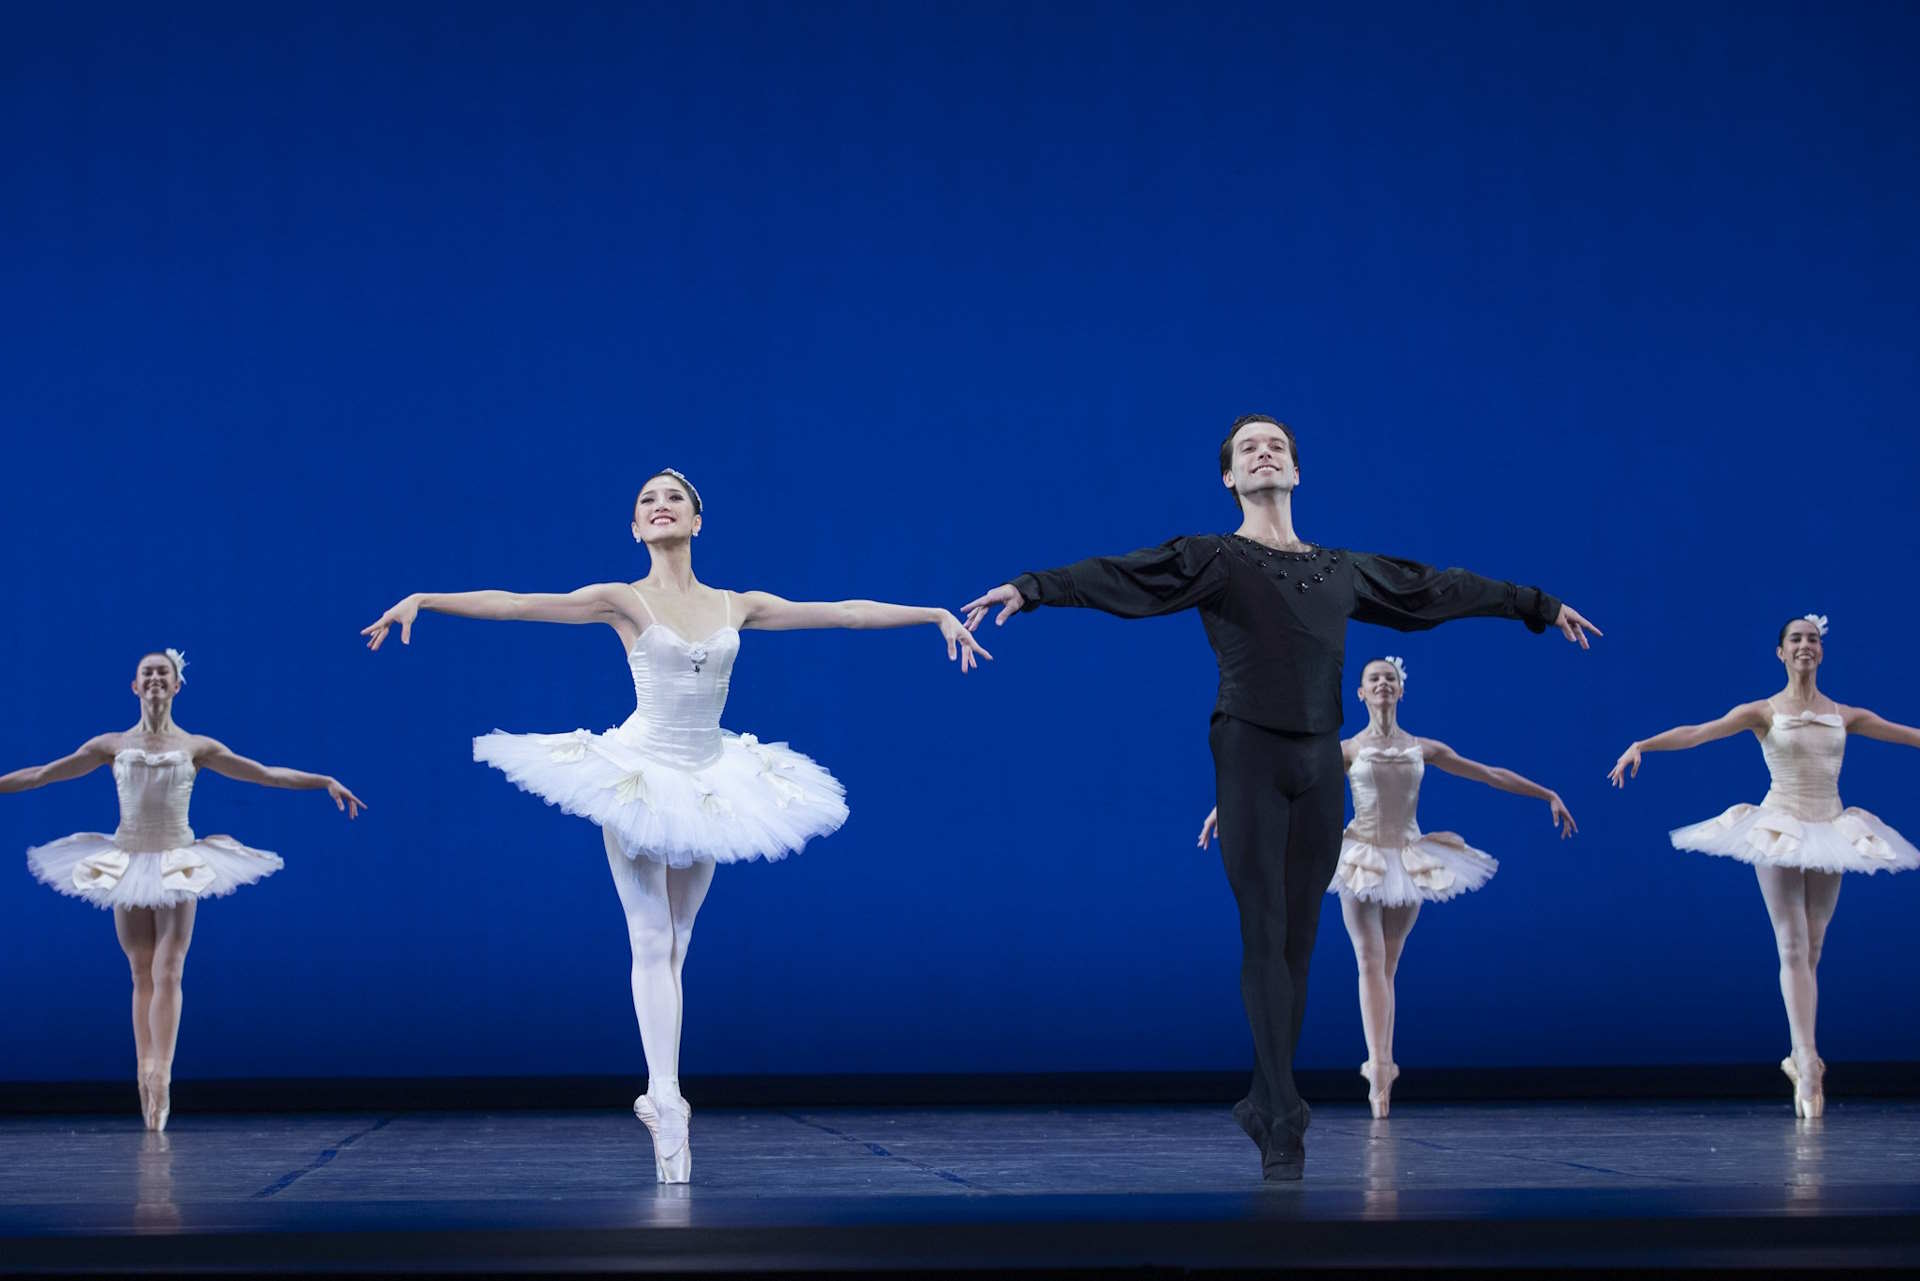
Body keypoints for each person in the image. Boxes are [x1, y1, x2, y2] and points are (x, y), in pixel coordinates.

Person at [963, 415, 1598, 1179]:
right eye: (1247, 448)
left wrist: (1534, 603)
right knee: (1263, 931)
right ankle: (1282, 1112)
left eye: (1278, 445)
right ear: (1230, 477)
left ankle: (1269, 1102)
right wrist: (1034, 589)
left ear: (1297, 470)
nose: (1265, 451)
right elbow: (1124, 576)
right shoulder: (1216, 557)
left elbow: (1436, 589)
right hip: (1249, 750)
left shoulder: (1341, 568)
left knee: (1300, 942)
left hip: (1320, 760)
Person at [362, 468, 990, 1182]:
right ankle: (667, 1097)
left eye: (673, 499)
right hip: (638, 772)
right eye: (645, 501)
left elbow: (842, 611)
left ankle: (661, 1092)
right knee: (651, 934)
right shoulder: (621, 599)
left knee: (678, 940)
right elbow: (515, 604)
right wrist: (426, 599)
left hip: (713, 779)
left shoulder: (737, 603)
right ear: (636, 528)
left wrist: (933, 613)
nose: (659, 506)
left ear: (697, 519)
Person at [1197, 655, 1575, 1118]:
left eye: (1389, 678)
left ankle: (1384, 1069)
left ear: (1400, 690)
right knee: (1370, 960)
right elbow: (1280, 779)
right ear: (1360, 693)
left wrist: (1547, 794)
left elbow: (1489, 773)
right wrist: (1225, 810)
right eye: (1373, 678)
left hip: (1409, 856)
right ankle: (1378, 1069)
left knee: (1388, 965)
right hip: (1361, 857)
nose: (1382, 683)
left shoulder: (1424, 748)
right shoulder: (1347, 749)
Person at [4, 648, 365, 1131]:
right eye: (146, 673)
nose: (155, 679)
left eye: (163, 673)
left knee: (169, 967)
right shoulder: (109, 744)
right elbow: (43, 774)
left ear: (176, 687)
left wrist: (323, 781)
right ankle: (142, 1068)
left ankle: (162, 1072)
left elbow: (264, 773)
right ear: (134, 687)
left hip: (177, 861)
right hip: (128, 858)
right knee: (140, 970)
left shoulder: (197, 746)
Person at [1609, 614, 1920, 1117]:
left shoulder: (1846, 714)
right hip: (1779, 826)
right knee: (1792, 944)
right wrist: (1642, 745)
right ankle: (1809, 1060)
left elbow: (1909, 734)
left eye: (1813, 639)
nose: (1805, 645)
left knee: (1813, 947)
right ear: (1781, 652)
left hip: (1831, 827)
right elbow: (1698, 733)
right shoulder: (1763, 711)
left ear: (1822, 652)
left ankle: (1801, 1055)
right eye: (1795, 639)